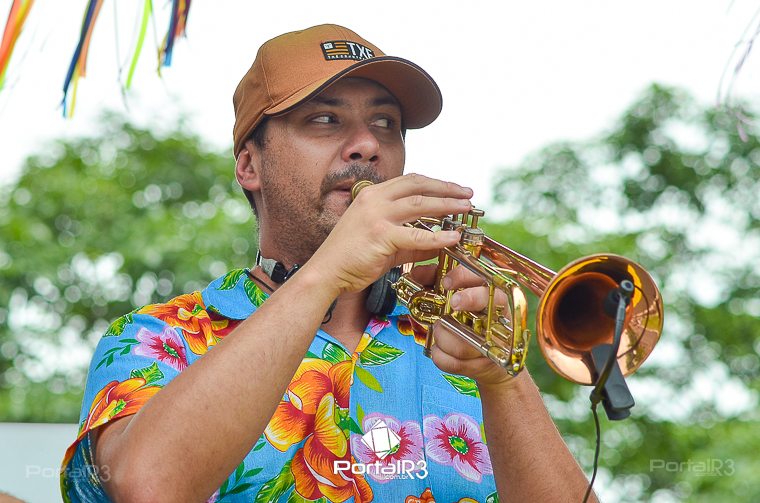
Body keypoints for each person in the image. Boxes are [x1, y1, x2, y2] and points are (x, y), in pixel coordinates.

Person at [61, 24, 597, 503]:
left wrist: (501, 380)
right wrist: (328, 274)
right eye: (324, 119)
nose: (366, 145)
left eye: (385, 123)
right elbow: (147, 487)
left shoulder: (459, 344)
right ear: (249, 165)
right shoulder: (159, 337)